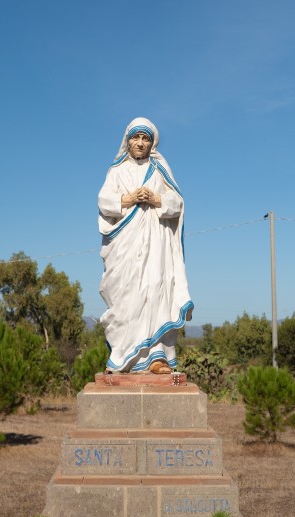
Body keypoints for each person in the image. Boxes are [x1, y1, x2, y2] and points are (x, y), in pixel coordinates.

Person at [97, 117, 193, 374]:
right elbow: (104, 201)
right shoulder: (116, 171)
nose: (140, 143)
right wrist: (127, 199)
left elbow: (178, 203)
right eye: (136, 137)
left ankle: (156, 356)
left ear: (153, 143)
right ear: (127, 141)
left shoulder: (160, 170)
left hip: (155, 244)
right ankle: (123, 358)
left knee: (154, 289)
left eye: (146, 138)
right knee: (126, 294)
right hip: (125, 245)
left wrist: (157, 198)